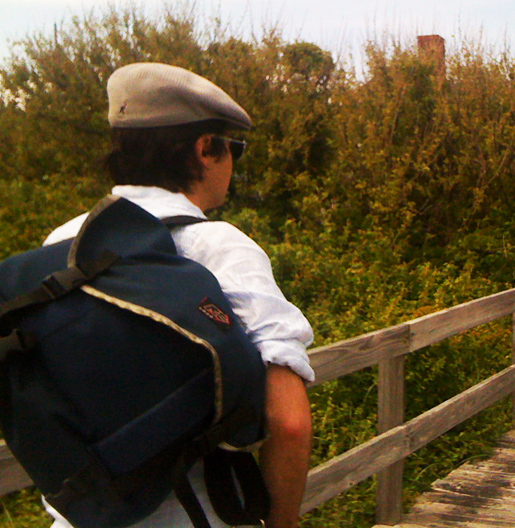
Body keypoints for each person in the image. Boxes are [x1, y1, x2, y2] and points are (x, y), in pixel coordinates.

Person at [42, 62, 315, 528]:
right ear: (205, 149)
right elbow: (288, 422)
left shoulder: (61, 246)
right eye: (235, 149)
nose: (233, 162)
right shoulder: (218, 247)